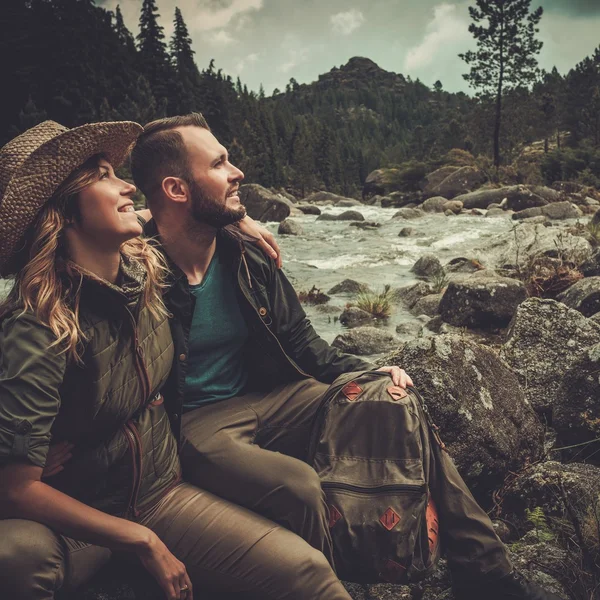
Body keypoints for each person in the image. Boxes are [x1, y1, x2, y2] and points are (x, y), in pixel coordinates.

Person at [128, 112, 562, 600]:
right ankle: (339, 585)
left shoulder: (245, 254)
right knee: (299, 487)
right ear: (176, 189)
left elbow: (303, 346)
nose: (238, 173)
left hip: (274, 397)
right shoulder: (134, 267)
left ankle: (488, 570)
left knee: (395, 396)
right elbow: (73, 234)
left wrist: (369, 372)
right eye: (220, 163)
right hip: (194, 422)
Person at [0, 120, 356, 600]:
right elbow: (16, 486)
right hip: (85, 515)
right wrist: (141, 539)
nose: (127, 184)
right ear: (62, 213)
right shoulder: (38, 323)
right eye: (104, 176)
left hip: (160, 493)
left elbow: (178, 207)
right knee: (16, 554)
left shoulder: (143, 270)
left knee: (309, 575)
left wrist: (235, 219)